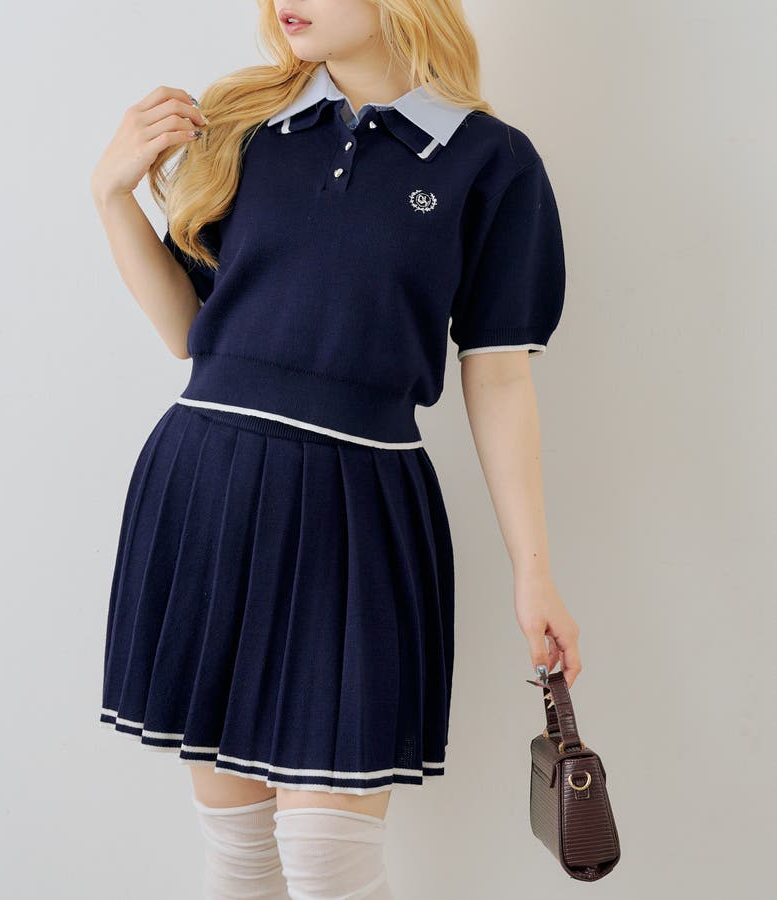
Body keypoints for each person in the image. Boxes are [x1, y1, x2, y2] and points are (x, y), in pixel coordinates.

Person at [90, 1, 582, 896]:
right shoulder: (241, 124)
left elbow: (500, 376)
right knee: (238, 851)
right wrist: (111, 196)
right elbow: (189, 333)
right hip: (210, 485)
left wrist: (534, 572)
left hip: (358, 511)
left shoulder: (490, 161)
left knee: (330, 859)